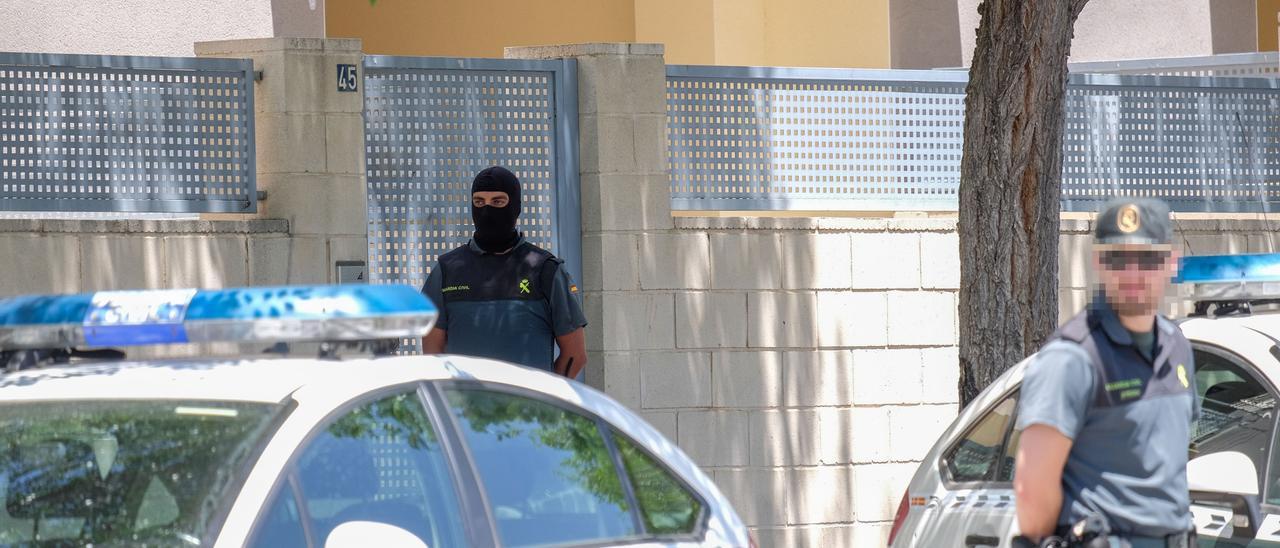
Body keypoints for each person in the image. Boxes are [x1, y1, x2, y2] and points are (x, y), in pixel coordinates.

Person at [1013, 198, 1198, 548]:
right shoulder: (1071, 359)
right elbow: (1031, 493)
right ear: (1098, 261)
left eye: (1147, 259)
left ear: (1170, 262)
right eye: (1118, 258)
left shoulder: (1178, 346)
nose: (1132, 273)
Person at [420, 166, 588, 378]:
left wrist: (546, 401)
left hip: (529, 409)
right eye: (479, 202)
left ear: (515, 206)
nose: (487, 210)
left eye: (498, 202)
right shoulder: (446, 271)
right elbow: (432, 355)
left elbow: (575, 354)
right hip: (465, 409)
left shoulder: (546, 270)